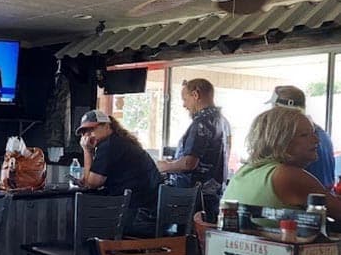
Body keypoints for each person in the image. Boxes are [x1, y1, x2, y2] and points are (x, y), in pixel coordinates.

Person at [222, 106, 341, 219]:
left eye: (313, 133)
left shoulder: (244, 171)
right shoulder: (288, 176)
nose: (316, 140)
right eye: (304, 135)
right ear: (280, 140)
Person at [75, 109, 163, 236]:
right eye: (84, 132)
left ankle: (93, 254)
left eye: (91, 129)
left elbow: (92, 184)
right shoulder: (120, 141)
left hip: (138, 216)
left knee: (83, 227)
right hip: (152, 212)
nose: (88, 135)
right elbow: (92, 180)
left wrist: (87, 150)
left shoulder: (109, 146)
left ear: (106, 126)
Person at [157, 78, 231, 219]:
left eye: (185, 99)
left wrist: (165, 166)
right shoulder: (223, 122)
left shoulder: (201, 124)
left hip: (193, 198)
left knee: (186, 238)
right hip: (214, 194)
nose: (184, 105)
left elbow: (189, 163)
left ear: (195, 95)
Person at [268, 85, 335, 189]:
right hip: (323, 196)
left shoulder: (293, 137)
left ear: (280, 110)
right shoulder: (322, 134)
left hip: (307, 197)